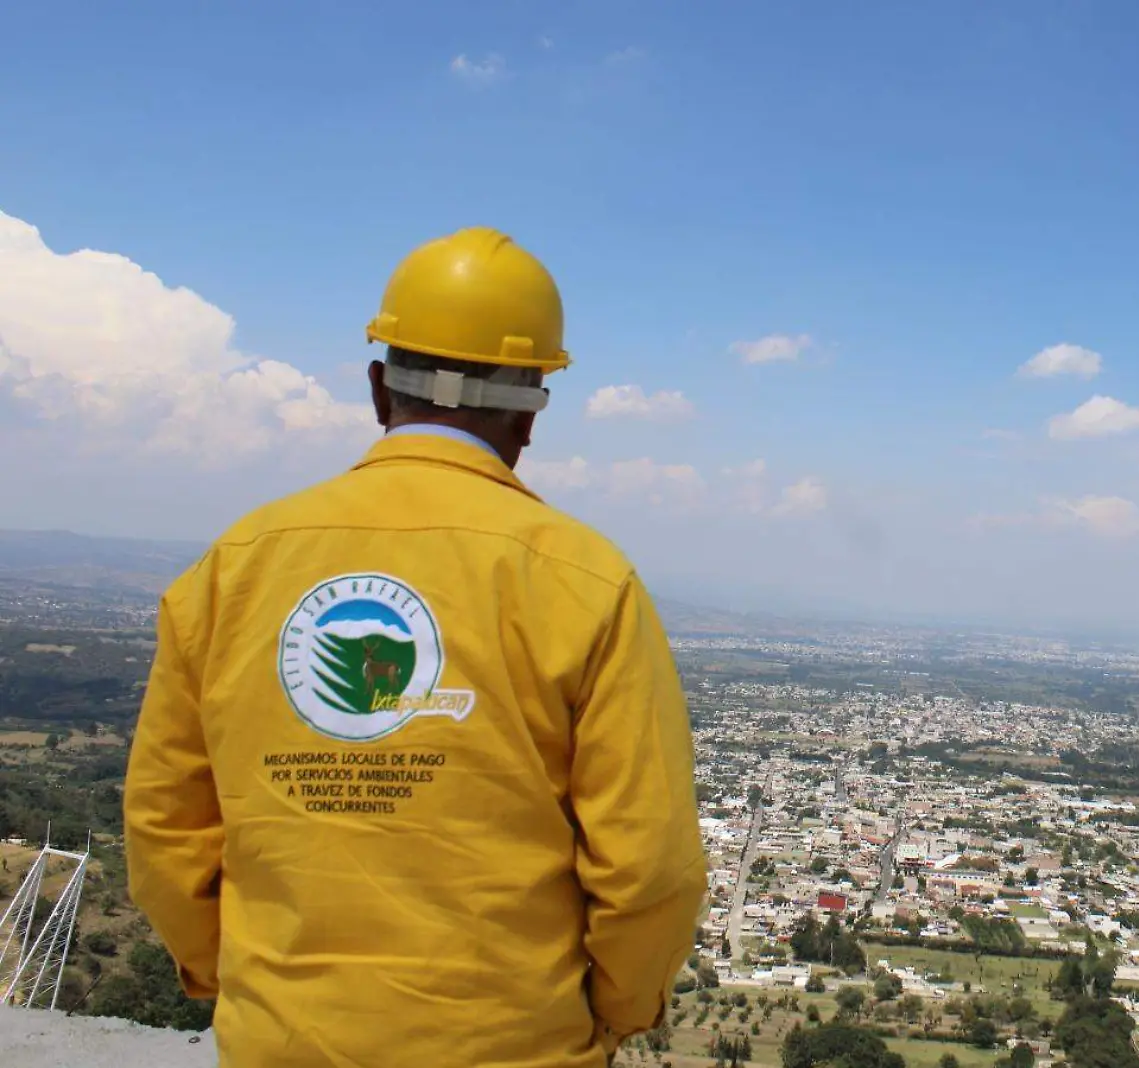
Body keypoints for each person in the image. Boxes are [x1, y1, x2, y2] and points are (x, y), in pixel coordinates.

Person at [123, 227, 708, 1067]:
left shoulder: (234, 565)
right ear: (533, 410)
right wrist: (614, 1011)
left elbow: (164, 830)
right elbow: (650, 868)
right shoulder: (585, 580)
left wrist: (241, 979)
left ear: (376, 387)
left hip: (278, 1041)